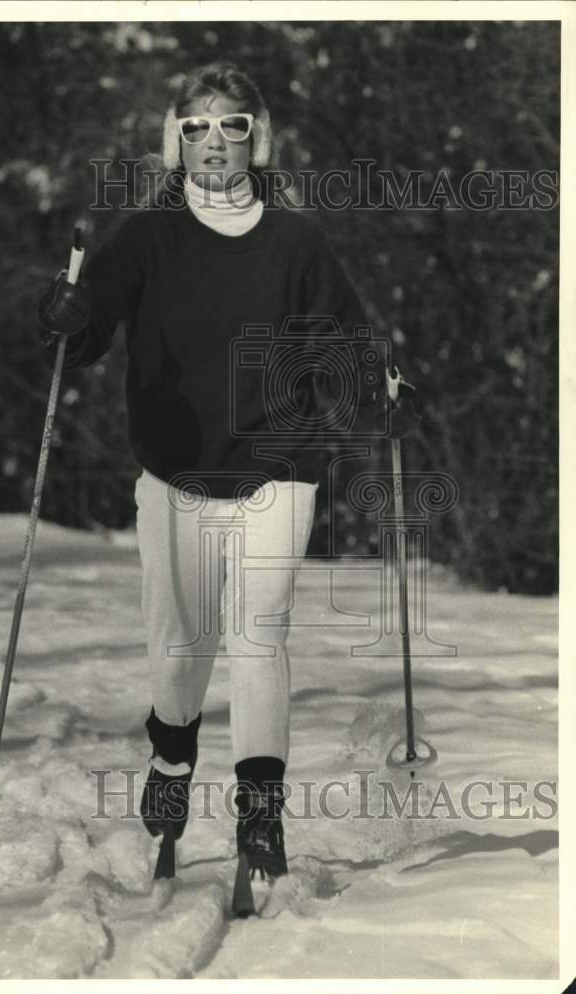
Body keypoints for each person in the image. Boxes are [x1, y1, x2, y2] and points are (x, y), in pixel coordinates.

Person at [37, 62, 419, 884]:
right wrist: (65, 315)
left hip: (280, 466)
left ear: (259, 138)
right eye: (199, 126)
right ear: (176, 141)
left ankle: (260, 816)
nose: (216, 141)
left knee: (259, 638)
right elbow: (86, 325)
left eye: (234, 125)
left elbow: (342, 348)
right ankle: (172, 758)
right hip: (175, 473)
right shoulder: (147, 236)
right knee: (181, 652)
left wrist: (376, 397)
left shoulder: (296, 241)